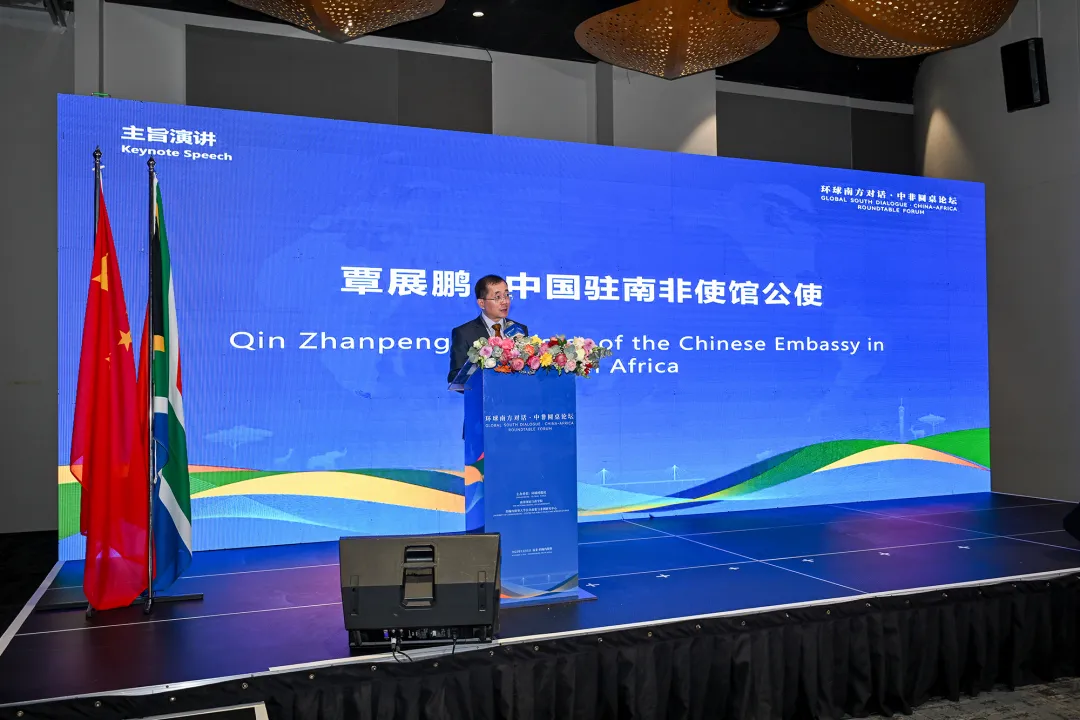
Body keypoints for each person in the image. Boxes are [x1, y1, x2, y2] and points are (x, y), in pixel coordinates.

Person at [447, 275, 529, 384]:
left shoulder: (519, 329)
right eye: (497, 297)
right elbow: (455, 376)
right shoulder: (464, 333)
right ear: (481, 303)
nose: (505, 301)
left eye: (507, 295)